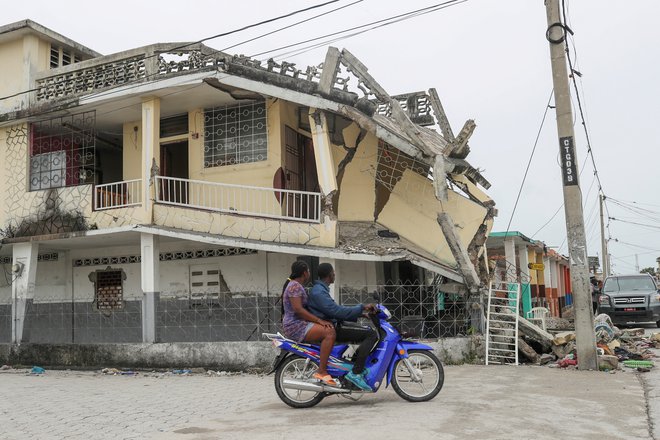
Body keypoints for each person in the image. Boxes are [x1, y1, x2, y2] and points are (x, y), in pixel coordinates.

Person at [307, 263, 379, 391]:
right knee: (371, 334)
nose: (335, 275)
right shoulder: (319, 292)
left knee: (365, 332)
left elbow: (335, 311)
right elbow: (336, 311)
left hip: (333, 323)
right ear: (330, 275)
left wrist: (361, 314)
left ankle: (354, 366)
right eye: (333, 273)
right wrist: (361, 307)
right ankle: (356, 373)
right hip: (332, 327)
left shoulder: (321, 289)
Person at [281, 260, 338, 386]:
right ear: (304, 273)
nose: (310, 274)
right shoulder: (294, 286)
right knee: (329, 332)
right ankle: (322, 371)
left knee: (328, 327)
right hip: (295, 326)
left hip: (300, 323)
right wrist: (319, 321)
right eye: (308, 271)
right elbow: (299, 310)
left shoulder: (295, 285)